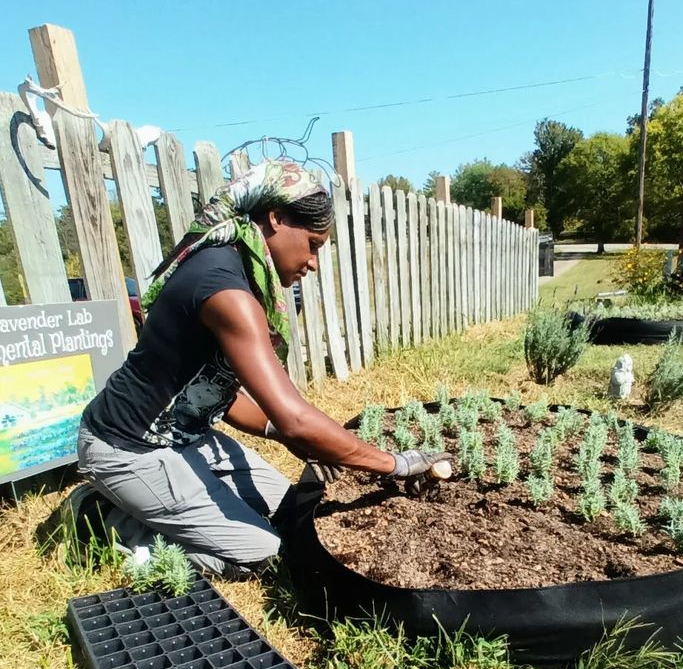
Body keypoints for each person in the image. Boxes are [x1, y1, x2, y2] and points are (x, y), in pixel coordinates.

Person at [77, 160, 449, 578]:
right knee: (265, 554)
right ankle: (111, 524)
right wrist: (396, 463)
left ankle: (150, 506)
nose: (313, 263)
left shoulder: (238, 270)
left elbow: (217, 394)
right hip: (129, 449)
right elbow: (295, 419)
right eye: (313, 244)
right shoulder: (223, 288)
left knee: (291, 510)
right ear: (276, 219)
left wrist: (280, 435)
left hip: (187, 438)